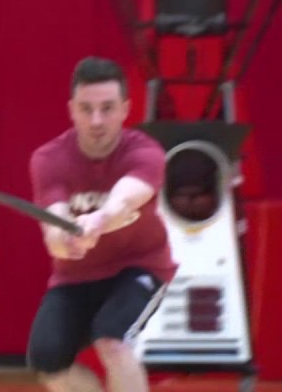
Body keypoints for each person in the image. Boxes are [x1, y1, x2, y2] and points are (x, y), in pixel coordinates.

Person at [26, 56, 178, 392]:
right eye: (86, 109)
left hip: (139, 267)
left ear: (125, 109)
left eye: (107, 108)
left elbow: (125, 199)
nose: (96, 120)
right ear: (72, 110)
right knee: (47, 361)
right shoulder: (49, 159)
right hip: (76, 277)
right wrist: (64, 240)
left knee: (112, 341)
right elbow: (53, 228)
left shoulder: (146, 152)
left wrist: (100, 220)